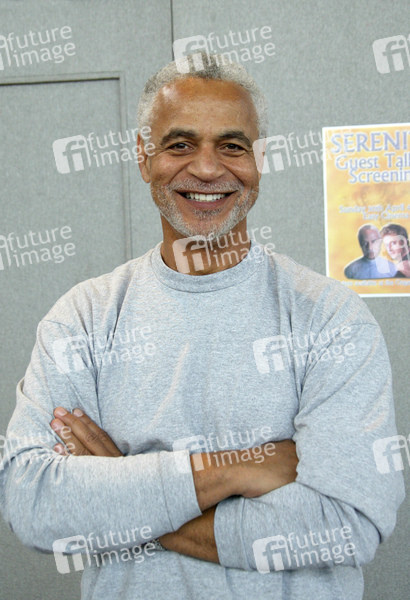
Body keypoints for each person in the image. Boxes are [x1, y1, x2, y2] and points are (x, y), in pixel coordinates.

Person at [0, 52, 405, 600]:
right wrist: (235, 469)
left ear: (259, 160)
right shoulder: (82, 319)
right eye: (180, 145)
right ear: (143, 157)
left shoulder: (330, 317)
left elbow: (346, 524)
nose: (209, 169)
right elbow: (32, 502)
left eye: (232, 145)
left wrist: (124, 490)